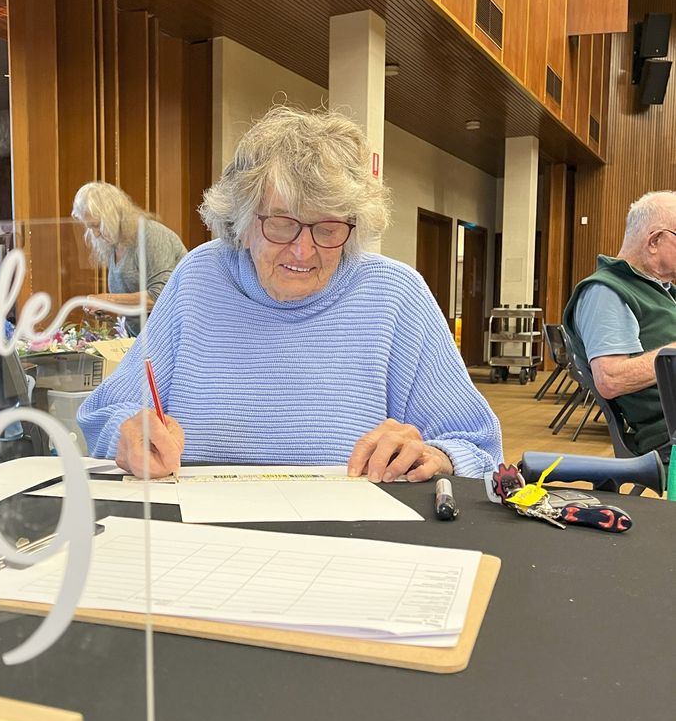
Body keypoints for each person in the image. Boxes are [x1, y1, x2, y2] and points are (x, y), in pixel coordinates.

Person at [78, 106, 502, 481]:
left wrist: (436, 454)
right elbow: (104, 414)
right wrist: (129, 433)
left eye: (328, 227)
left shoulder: (396, 295)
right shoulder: (198, 277)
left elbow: (478, 446)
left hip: (351, 546)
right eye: (281, 223)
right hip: (203, 539)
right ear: (240, 224)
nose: (304, 250)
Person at [564, 190, 676, 457]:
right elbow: (610, 379)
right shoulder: (607, 292)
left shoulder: (662, 289)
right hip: (666, 434)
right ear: (654, 241)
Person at [71, 181, 187, 336]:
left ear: (112, 217)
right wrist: (108, 306)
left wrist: (108, 299)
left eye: (97, 225)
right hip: (142, 340)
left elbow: (159, 297)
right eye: (90, 228)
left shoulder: (151, 235)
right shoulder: (114, 243)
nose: (96, 234)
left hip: (171, 338)